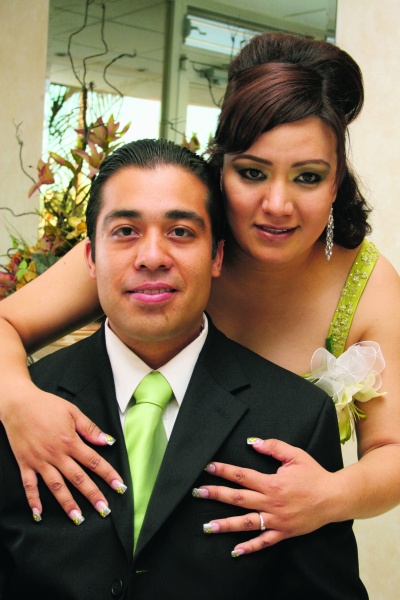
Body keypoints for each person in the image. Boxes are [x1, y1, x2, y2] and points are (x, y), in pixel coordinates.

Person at [0, 31, 400, 558]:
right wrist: (18, 400)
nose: (277, 205)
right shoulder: (166, 245)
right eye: (252, 173)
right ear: (221, 167)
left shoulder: (368, 287)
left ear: (336, 183)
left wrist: (328, 496)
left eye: (307, 177)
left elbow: (392, 450)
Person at [0, 138, 368, 599]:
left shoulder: (297, 417)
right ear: (91, 258)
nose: (152, 256)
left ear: (217, 256)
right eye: (126, 231)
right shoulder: (22, 406)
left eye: (180, 232)